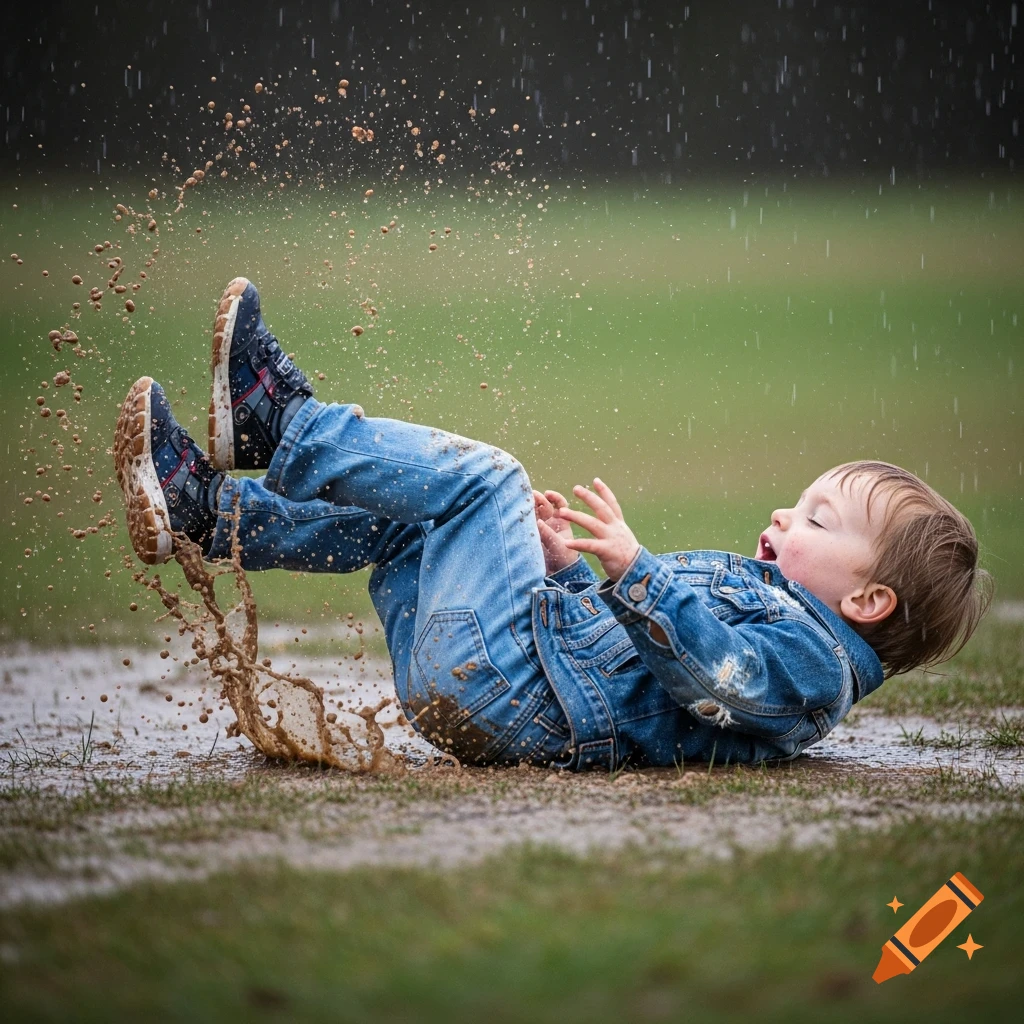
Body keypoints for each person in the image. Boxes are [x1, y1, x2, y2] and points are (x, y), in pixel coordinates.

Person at [114, 278, 993, 771]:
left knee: (489, 477)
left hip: (508, 691)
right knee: (420, 520)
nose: (782, 514)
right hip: (500, 690)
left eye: (816, 519)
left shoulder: (813, 667)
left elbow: (721, 683)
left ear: (867, 600)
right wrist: (565, 570)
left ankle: (282, 425)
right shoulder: (774, 619)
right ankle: (206, 514)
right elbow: (632, 681)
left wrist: (639, 572)